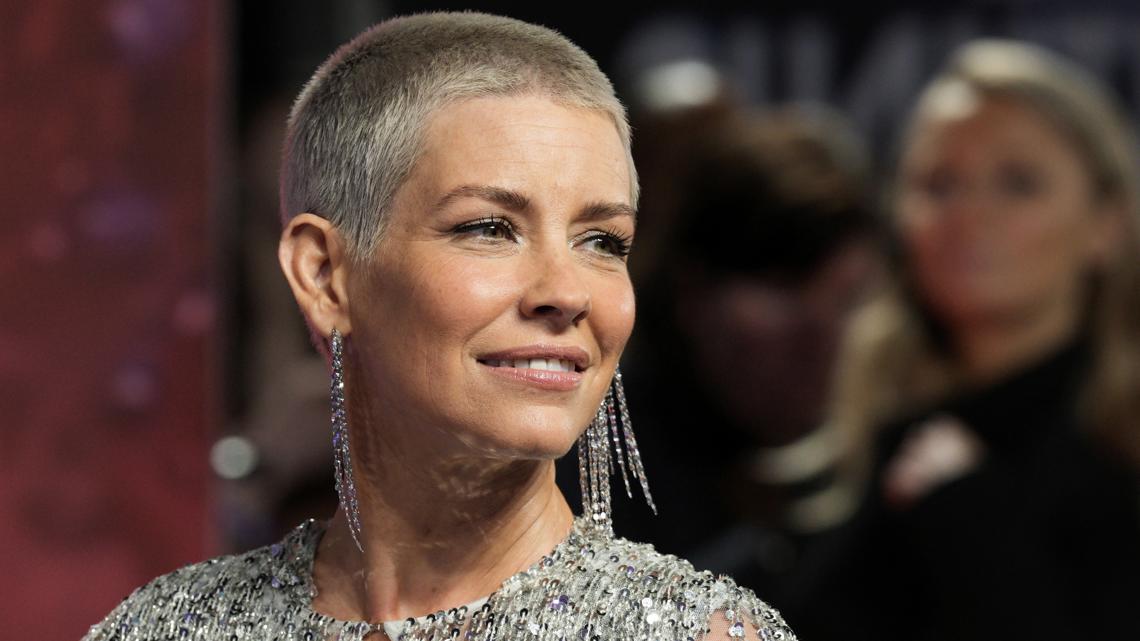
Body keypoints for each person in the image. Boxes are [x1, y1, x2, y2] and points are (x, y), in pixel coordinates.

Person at [82, 13, 797, 641]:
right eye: (489, 228)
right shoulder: (164, 628)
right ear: (324, 275)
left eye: (603, 241)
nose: (566, 292)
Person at [820, 40, 1140, 641]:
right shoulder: (870, 436)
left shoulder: (1118, 458)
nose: (967, 214)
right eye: (938, 183)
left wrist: (972, 518)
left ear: (1107, 225)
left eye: (1018, 183)